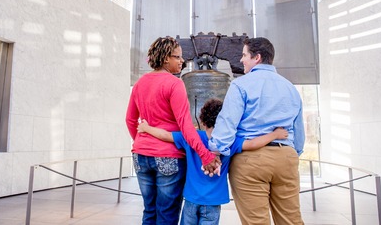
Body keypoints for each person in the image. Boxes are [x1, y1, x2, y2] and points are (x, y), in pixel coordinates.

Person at [138, 98, 288, 225]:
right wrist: (274, 134)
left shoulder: (193, 137)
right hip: (213, 202)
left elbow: (165, 135)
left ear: (203, 121)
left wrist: (146, 127)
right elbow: (253, 143)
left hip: (191, 198)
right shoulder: (231, 141)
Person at [208, 37, 305, 225]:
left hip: (251, 160)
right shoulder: (290, 88)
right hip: (286, 157)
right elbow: (298, 133)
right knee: (291, 220)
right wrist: (292, 153)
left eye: (244, 55)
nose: (242, 60)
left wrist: (215, 152)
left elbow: (227, 125)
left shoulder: (241, 85)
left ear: (257, 57)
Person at [126, 36, 221, 225]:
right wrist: (206, 155)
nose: (182, 61)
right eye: (177, 57)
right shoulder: (174, 84)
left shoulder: (140, 84)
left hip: (140, 156)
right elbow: (186, 127)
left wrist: (141, 142)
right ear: (165, 58)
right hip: (169, 158)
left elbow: (130, 119)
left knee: (149, 211)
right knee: (167, 216)